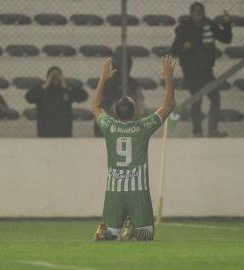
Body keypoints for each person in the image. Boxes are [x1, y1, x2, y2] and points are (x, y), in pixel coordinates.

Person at [92, 55, 176, 241]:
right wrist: (168, 78)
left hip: (114, 190)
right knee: (147, 234)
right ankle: (133, 231)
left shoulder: (110, 127)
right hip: (138, 190)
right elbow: (169, 105)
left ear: (115, 112)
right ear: (135, 111)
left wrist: (103, 78)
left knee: (111, 234)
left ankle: (106, 230)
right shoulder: (142, 128)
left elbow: (96, 105)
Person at [171, 2, 232, 137]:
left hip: (206, 70)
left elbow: (226, 39)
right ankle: (197, 131)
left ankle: (212, 130)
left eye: (201, 11)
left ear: (204, 12)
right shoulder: (184, 28)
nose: (198, 13)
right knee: (196, 100)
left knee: (215, 97)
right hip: (191, 70)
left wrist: (227, 23)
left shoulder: (209, 25)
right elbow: (174, 49)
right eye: (195, 11)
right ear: (191, 13)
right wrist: (184, 47)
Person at [25, 67, 88, 137]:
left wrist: (67, 87)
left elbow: (83, 96)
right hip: (45, 130)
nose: (55, 79)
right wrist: (44, 87)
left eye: (58, 77)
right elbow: (29, 98)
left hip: (64, 130)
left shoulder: (67, 88)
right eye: (52, 77)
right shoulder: (41, 88)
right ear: (48, 78)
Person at [93, 51, 145, 137]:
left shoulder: (133, 83)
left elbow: (140, 105)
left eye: (127, 66)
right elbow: (98, 104)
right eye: (122, 66)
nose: (125, 69)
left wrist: (138, 120)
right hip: (109, 122)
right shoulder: (108, 82)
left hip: (128, 123)